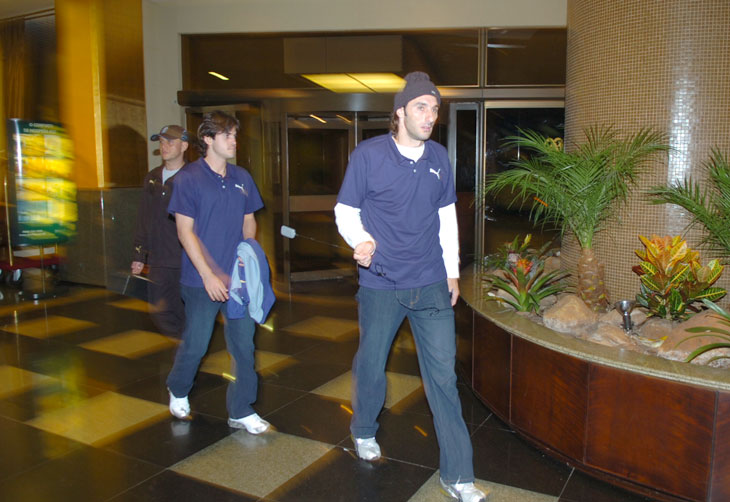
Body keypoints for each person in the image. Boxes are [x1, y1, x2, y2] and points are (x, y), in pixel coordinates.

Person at [335, 72, 488, 502]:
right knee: (371, 362)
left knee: (443, 377)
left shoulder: (439, 156)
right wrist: (361, 240)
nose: (430, 116)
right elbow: (345, 210)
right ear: (400, 112)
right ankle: (364, 428)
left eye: (435, 108)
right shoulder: (369, 156)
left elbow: (446, 219)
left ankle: (458, 475)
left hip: (431, 283)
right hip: (381, 283)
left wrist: (452, 272)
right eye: (422, 107)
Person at [165, 110, 270, 435]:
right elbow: (185, 231)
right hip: (200, 280)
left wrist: (247, 252)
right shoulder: (188, 179)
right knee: (197, 343)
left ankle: (242, 409)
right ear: (208, 139)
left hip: (237, 280)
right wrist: (208, 274)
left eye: (235, 135)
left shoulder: (242, 177)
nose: (234, 141)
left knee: (243, 346)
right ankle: (178, 388)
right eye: (227, 135)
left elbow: (249, 220)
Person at [131, 125, 189, 337]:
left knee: (186, 309)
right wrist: (139, 254)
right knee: (159, 310)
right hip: (159, 259)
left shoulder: (192, 178)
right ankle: (185, 344)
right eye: (162, 142)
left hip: (186, 258)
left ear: (184, 146)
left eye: (170, 142)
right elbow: (144, 218)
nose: (164, 146)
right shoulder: (152, 178)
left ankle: (188, 347)